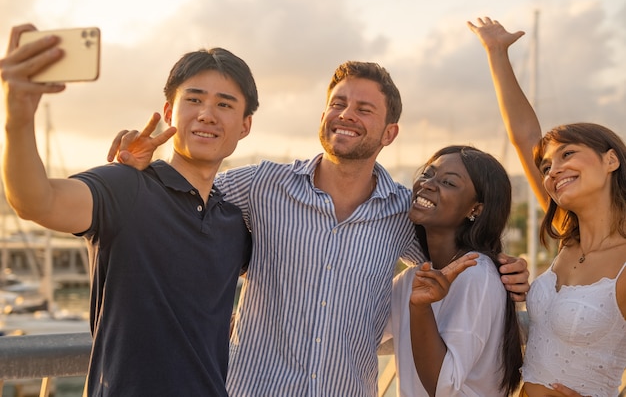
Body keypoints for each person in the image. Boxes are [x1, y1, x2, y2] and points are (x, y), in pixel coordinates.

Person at [108, 60, 530, 396]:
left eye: (364, 109)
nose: (346, 115)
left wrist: (506, 268)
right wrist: (136, 171)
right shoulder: (262, 184)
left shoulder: (406, 210)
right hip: (250, 390)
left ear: (389, 133)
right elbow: (179, 200)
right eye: (338, 103)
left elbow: (454, 261)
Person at [0, 24, 259, 396]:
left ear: (245, 125)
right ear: (170, 111)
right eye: (194, 99)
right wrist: (18, 119)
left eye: (224, 104)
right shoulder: (127, 187)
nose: (206, 114)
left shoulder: (233, 223)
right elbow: (37, 201)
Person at [469, 17, 626, 397]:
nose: (553, 171)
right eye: (546, 167)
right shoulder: (567, 237)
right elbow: (524, 136)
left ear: (610, 160)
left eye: (568, 154)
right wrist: (496, 53)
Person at [385, 145, 523, 396]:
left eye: (448, 182)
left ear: (476, 209)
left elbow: (442, 386)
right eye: (427, 174)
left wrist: (420, 308)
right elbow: (358, 329)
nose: (428, 184)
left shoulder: (477, 275)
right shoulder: (410, 279)